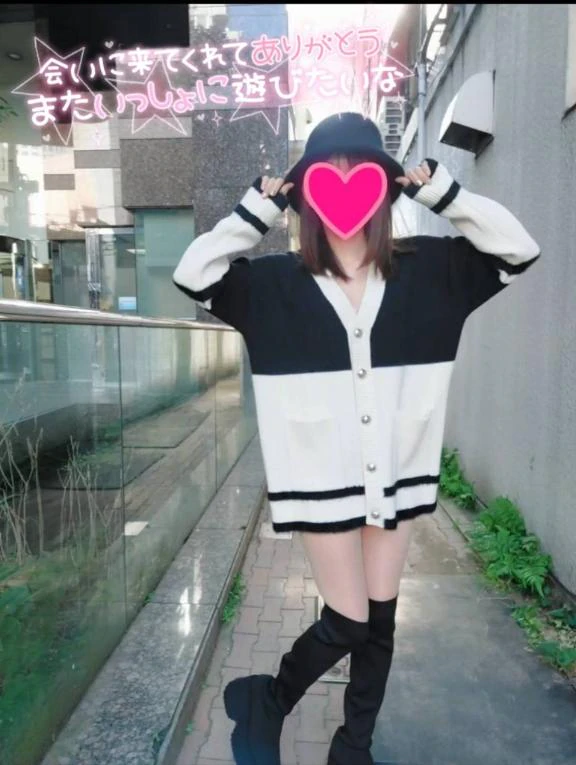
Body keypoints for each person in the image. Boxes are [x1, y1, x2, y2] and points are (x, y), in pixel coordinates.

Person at [173, 112, 541, 765]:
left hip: (397, 477)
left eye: (361, 173)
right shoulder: (271, 285)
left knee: (380, 618)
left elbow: (517, 249)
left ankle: (353, 746)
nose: (344, 188)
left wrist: (443, 193)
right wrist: (255, 212)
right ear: (307, 195)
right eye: (327, 175)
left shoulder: (432, 271)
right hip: (319, 482)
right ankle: (269, 700)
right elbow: (194, 274)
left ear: (385, 189)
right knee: (348, 619)